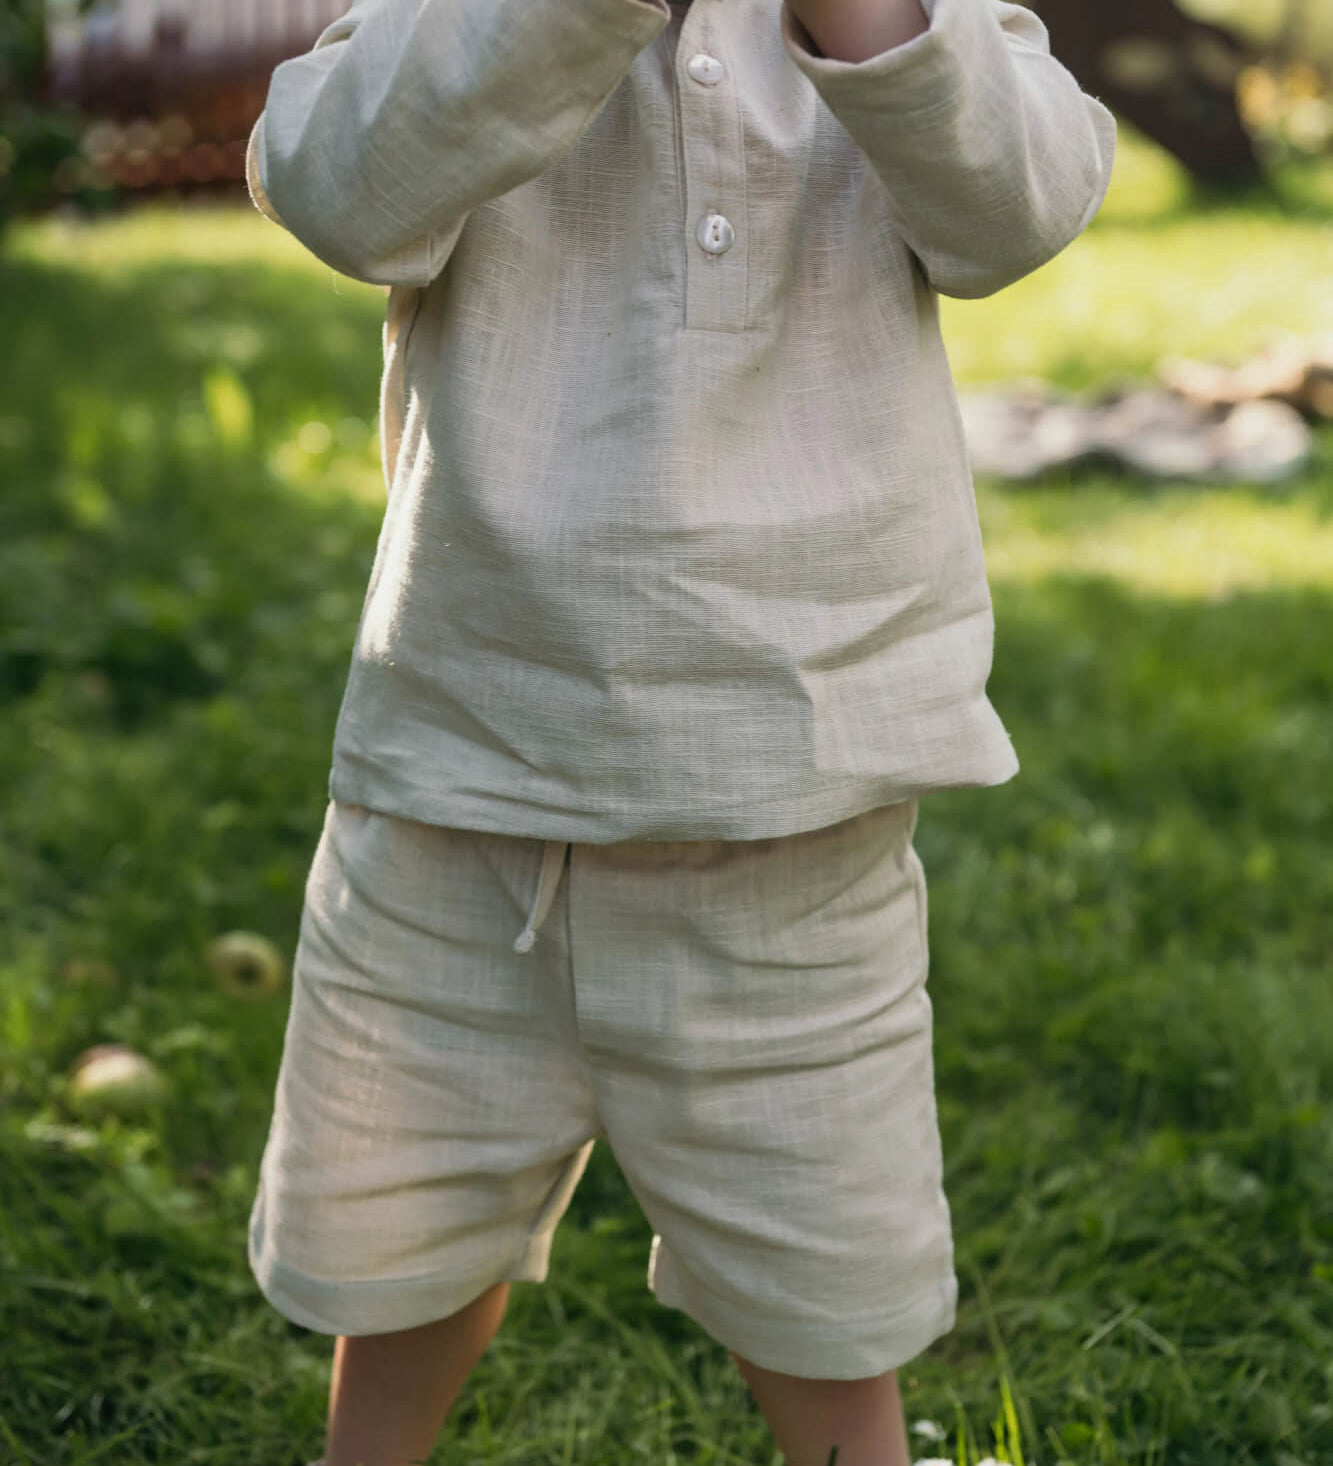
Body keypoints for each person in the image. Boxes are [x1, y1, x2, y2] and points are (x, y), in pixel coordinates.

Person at [243, 0, 1116, 1461]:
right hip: (466, 763)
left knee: (826, 1300)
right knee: (390, 1246)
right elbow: (334, 184)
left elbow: (1019, 208)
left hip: (795, 800)